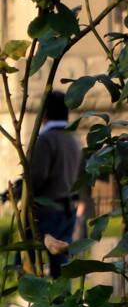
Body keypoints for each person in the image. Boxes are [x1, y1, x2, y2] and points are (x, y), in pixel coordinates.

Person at [28, 90, 87, 277]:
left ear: (44, 114)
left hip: (45, 212)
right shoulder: (73, 139)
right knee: (61, 269)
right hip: (67, 209)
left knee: (28, 265)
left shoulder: (46, 140)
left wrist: (20, 190)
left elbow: (37, 178)